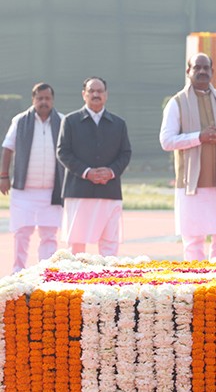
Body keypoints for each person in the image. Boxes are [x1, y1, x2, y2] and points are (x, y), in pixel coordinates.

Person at [160, 53, 216, 261]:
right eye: (197, 68)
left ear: (212, 72)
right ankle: (195, 283)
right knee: (193, 239)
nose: (202, 72)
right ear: (188, 71)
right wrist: (199, 137)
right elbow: (166, 141)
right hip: (191, 183)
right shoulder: (177, 102)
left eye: (206, 68)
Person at [57, 77, 132, 256]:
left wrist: (111, 171)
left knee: (109, 245)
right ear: (84, 94)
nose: (96, 94)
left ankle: (108, 281)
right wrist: (86, 172)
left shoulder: (119, 123)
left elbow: (126, 153)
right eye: (92, 91)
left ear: (106, 95)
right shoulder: (70, 121)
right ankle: (75, 283)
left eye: (100, 91)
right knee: (76, 245)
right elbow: (63, 152)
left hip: (109, 190)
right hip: (78, 191)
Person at [0, 83, 65, 273]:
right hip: (24, 191)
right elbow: (8, 148)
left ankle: (46, 273)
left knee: (49, 235)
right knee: (22, 233)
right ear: (33, 99)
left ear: (52, 100)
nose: (43, 102)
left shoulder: (62, 121)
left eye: (47, 98)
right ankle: (18, 271)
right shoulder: (20, 121)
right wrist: (3, 175)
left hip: (52, 190)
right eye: (40, 98)